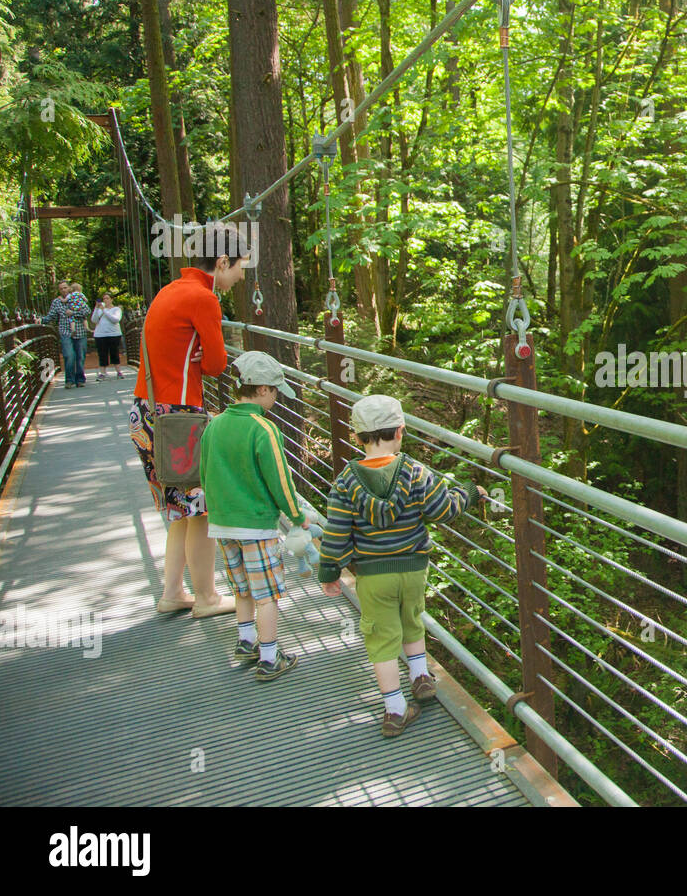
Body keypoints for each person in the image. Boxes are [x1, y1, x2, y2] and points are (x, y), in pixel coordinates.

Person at [317, 395, 487, 736]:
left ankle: (395, 710)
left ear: (357, 436)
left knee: (381, 637)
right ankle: (421, 676)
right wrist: (469, 492)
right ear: (400, 431)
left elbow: (335, 534)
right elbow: (443, 509)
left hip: (372, 575)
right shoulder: (416, 471)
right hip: (413, 569)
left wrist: (330, 571)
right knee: (412, 617)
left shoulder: (345, 482)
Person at [130, 236, 245, 618]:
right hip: (177, 416)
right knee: (201, 510)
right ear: (223, 261)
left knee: (178, 509)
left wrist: (197, 351)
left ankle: (172, 593)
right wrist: (205, 354)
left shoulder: (171, 290)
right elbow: (216, 364)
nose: (242, 276)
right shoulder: (203, 298)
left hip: (146, 413)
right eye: (241, 266)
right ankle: (207, 597)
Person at [199, 351, 309, 681]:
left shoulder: (215, 424)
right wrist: (296, 515)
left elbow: (204, 472)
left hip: (222, 522)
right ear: (262, 390)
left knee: (242, 588)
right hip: (257, 525)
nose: (277, 398)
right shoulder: (264, 429)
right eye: (276, 391)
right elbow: (280, 479)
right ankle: (269, 657)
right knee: (267, 594)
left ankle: (246, 641)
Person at [43, 280, 91, 388]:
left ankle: (80, 379)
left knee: (80, 356)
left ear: (69, 288)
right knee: (68, 355)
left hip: (80, 331)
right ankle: (69, 380)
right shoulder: (57, 302)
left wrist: (74, 313)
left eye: (65, 287)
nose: (63, 290)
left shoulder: (77, 297)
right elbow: (51, 316)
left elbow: (87, 311)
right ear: (59, 290)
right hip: (65, 331)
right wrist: (41, 320)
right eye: (61, 289)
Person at [91, 292, 126, 381]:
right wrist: (96, 308)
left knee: (114, 352)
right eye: (104, 299)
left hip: (113, 334)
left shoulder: (116, 309)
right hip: (100, 334)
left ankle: (118, 371)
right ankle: (102, 373)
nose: (105, 300)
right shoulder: (100, 309)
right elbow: (94, 320)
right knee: (102, 353)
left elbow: (115, 319)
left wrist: (104, 310)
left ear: (111, 299)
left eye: (107, 298)